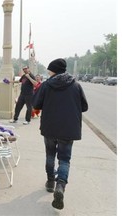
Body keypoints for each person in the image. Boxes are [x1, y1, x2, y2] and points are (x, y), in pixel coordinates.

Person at [32, 58, 88, 210]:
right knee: (64, 159)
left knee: (50, 155)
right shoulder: (76, 85)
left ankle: (50, 182)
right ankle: (60, 187)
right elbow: (84, 107)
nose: (48, 72)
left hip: (50, 127)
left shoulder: (46, 85)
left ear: (54, 70)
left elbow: (36, 104)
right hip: (68, 129)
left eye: (50, 70)